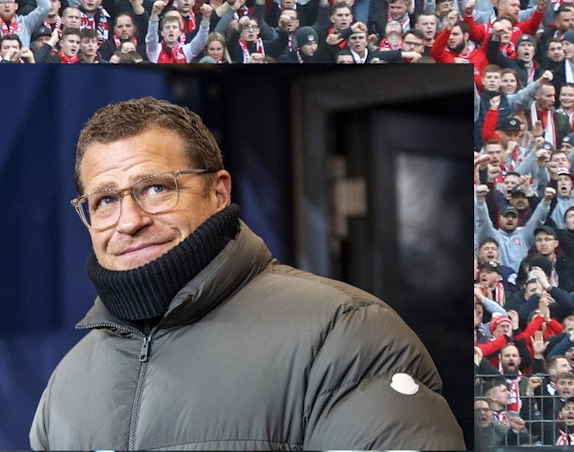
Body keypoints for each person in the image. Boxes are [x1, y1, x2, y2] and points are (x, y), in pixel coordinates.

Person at [30, 97, 461, 449]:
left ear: (218, 192)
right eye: (105, 201)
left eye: (156, 188)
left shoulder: (344, 332)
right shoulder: (68, 383)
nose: (129, 221)